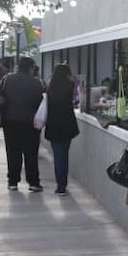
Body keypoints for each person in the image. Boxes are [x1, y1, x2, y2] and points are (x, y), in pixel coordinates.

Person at [0, 56, 46, 191]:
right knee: (31, 153)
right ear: (31, 68)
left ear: (18, 66)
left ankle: (13, 181)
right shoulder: (37, 83)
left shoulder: (7, 79)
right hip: (30, 122)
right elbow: (41, 102)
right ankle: (33, 182)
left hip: (10, 121)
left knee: (12, 151)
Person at [44, 64, 79, 195]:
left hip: (54, 126)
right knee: (64, 155)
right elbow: (75, 95)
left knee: (58, 156)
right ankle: (63, 184)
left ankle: (61, 186)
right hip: (67, 126)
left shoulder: (50, 86)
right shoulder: (70, 85)